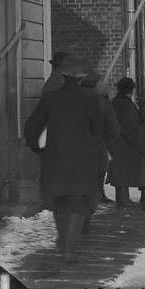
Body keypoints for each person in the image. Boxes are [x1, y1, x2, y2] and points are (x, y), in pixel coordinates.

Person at [24, 55, 102, 262]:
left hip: (55, 157)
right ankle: (69, 248)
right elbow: (99, 129)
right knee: (77, 202)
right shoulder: (91, 99)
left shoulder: (50, 98)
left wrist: (37, 147)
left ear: (63, 75)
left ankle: (62, 239)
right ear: (82, 78)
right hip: (83, 159)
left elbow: (32, 127)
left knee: (59, 199)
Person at [81, 70, 120, 208]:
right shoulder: (103, 102)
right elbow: (114, 129)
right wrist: (104, 142)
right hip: (97, 145)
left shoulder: (70, 100)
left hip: (75, 148)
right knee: (98, 173)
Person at [108, 77, 140, 208]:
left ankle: (121, 197)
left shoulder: (113, 102)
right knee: (124, 171)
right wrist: (136, 141)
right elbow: (130, 126)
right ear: (131, 90)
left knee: (117, 170)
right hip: (124, 143)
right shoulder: (126, 105)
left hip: (113, 142)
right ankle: (123, 199)